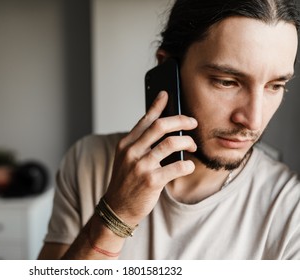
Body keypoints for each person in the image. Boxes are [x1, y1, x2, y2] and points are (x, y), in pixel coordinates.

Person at [39, 0, 300, 259]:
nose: (252, 121)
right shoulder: (88, 162)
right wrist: (116, 216)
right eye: (226, 82)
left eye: (275, 86)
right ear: (167, 69)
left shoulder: (291, 208)